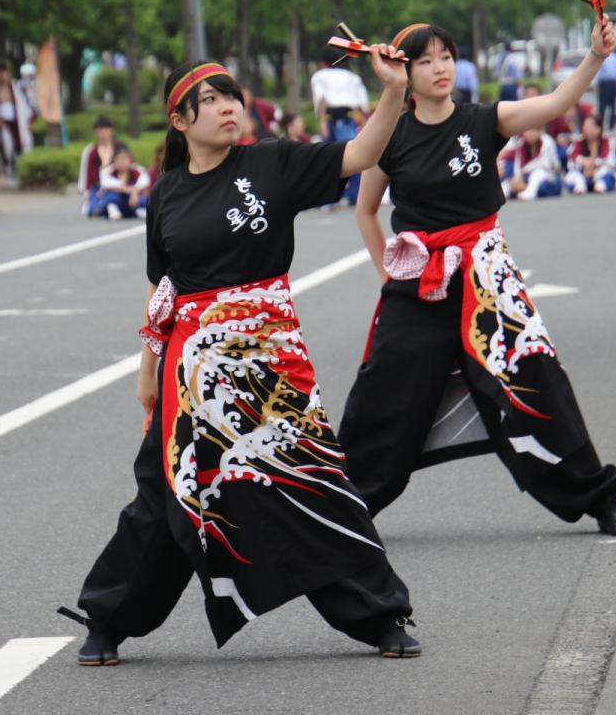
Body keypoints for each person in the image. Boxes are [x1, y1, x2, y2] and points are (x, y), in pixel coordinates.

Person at [62, 47, 424, 666]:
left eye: (231, 96)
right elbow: (163, 287)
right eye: (209, 101)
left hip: (267, 360)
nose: (227, 107)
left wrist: (392, 92)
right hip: (192, 368)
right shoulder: (168, 193)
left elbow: (360, 155)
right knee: (166, 490)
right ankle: (108, 619)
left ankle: (380, 615)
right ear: (179, 121)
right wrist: (147, 367)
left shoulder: (273, 163)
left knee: (310, 481)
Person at [337, 18, 616, 538]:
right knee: (382, 392)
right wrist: (388, 271)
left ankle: (599, 499)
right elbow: (366, 211)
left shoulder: (484, 120)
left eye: (447, 56)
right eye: (426, 60)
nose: (440, 68)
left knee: (537, 378)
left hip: (486, 274)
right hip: (420, 280)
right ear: (404, 72)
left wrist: (594, 56)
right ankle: (343, 514)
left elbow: (553, 104)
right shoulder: (389, 135)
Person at [310, 48, 371, 205]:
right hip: (351, 118)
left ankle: (329, 199)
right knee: (356, 157)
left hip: (331, 119)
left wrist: (322, 122)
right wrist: (364, 123)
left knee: (328, 159)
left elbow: (321, 99)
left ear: (323, 63)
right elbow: (363, 104)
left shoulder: (320, 76)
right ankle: (353, 195)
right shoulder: (353, 77)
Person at [0, 62, 34, 183]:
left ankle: (26, 173)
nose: (1, 76)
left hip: (20, 122)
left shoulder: (18, 87)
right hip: (4, 124)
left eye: (3, 73)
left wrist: (31, 120)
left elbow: (30, 103)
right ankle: (10, 173)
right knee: (7, 149)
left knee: (23, 146)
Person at [77, 116, 127, 213]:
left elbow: (130, 167)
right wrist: (85, 191)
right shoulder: (90, 151)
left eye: (106, 130)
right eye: (101, 130)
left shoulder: (120, 147)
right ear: (96, 132)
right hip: (98, 187)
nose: (104, 133)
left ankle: (110, 206)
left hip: (119, 186)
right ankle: (106, 206)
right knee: (92, 209)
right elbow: (84, 172)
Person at [499, 126, 563, 200]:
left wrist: (521, 174)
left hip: (550, 177)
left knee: (538, 173)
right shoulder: (521, 143)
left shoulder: (547, 141)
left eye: (532, 131)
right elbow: (518, 162)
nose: (529, 134)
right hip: (528, 176)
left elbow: (542, 164)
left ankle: (529, 191)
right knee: (510, 179)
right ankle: (503, 192)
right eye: (526, 131)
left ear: (539, 131)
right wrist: (517, 176)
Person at [89, 145, 150, 220]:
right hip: (115, 199)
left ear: (130, 160)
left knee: (145, 199)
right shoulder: (107, 171)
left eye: (124, 159)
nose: (122, 162)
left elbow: (144, 182)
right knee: (111, 196)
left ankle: (137, 211)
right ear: (114, 161)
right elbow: (109, 185)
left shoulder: (138, 170)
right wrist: (129, 189)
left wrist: (134, 192)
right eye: (119, 159)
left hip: (132, 199)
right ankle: (113, 211)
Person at [565, 112, 616, 193]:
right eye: (585, 126)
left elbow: (611, 162)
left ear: (599, 129)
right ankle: (580, 187)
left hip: (600, 172)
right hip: (583, 172)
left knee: (607, 174)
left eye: (590, 126)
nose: (587, 129)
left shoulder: (607, 141)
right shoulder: (578, 141)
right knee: (573, 176)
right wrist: (583, 162)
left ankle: (600, 186)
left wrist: (594, 166)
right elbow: (571, 157)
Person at [595, 49, 616, 129]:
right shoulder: (615, 57)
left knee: (603, 105)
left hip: (605, 83)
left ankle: (601, 125)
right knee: (612, 105)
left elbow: (598, 72)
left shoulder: (602, 57)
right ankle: (611, 125)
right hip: (612, 83)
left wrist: (596, 84)